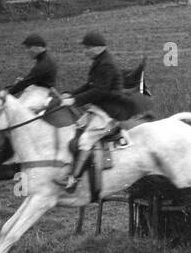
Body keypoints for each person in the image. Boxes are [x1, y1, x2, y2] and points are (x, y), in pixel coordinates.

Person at [54, 32, 137, 194]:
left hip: (110, 111)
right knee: (77, 129)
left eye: (88, 47)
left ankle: (74, 180)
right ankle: (72, 168)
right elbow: (90, 85)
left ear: (99, 48)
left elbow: (99, 91)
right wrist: (71, 94)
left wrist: (75, 101)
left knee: (85, 140)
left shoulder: (106, 65)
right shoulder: (99, 61)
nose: (85, 50)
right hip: (101, 108)